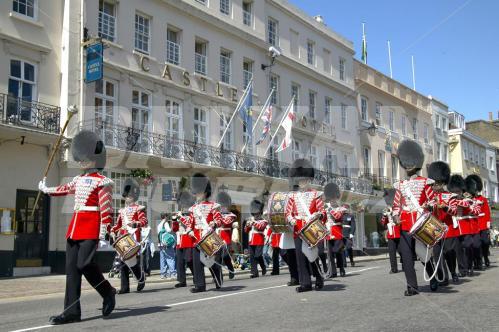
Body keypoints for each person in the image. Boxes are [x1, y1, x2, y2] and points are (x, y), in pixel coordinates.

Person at [38, 130, 116, 325]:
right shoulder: (78, 180)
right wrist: (46, 189)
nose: (82, 161)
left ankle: (107, 291)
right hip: (75, 227)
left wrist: (105, 230)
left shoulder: (103, 182)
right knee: (72, 269)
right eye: (81, 157)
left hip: (91, 226)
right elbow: (63, 190)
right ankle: (71, 312)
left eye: (86, 157)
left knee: (84, 264)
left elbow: (106, 208)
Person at [391, 139, 437, 296]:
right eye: (406, 162)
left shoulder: (425, 182)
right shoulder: (400, 185)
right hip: (405, 225)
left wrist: (429, 206)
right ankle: (412, 286)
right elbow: (396, 204)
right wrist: (396, 215)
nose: (409, 165)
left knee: (423, 254)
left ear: (417, 163)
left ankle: (432, 277)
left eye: (411, 162)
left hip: (421, 223)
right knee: (406, 255)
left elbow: (432, 200)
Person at [285, 158, 325, 292]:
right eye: (300, 180)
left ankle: (319, 278)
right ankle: (305, 283)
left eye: (305, 180)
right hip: (298, 229)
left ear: (309, 180)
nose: (303, 182)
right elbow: (288, 213)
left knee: (312, 255)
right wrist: (291, 220)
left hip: (312, 228)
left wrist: (317, 215)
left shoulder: (316, 195)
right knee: (300, 257)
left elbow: (322, 211)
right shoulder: (292, 196)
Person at [185, 173, 224, 293]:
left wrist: (214, 223)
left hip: (208, 238)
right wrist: (189, 230)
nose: (196, 194)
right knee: (197, 263)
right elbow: (190, 223)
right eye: (196, 192)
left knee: (210, 261)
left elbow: (220, 220)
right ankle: (200, 285)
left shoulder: (213, 206)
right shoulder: (193, 208)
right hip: (196, 239)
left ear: (205, 192)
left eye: (198, 192)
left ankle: (218, 279)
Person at [111, 178, 147, 294]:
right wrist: (112, 230)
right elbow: (118, 225)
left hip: (133, 236)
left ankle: (140, 278)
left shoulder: (139, 208)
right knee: (123, 262)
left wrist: (135, 223)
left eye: (130, 196)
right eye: (126, 196)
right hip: (123, 238)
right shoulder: (122, 211)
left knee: (131, 261)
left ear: (134, 196)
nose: (127, 198)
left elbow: (144, 221)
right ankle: (124, 287)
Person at [428, 161, 459, 285]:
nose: (436, 186)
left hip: (448, 228)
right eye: (434, 183)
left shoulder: (450, 196)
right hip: (434, 228)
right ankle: (443, 277)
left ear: (443, 183)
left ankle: (453, 272)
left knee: (449, 253)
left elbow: (455, 211)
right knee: (437, 254)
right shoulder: (429, 197)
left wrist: (445, 207)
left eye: (438, 183)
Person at [171, 191, 196, 288]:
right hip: (179, 240)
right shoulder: (181, 214)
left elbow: (189, 224)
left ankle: (196, 277)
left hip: (188, 240)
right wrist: (174, 220)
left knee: (189, 261)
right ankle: (182, 281)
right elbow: (175, 229)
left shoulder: (191, 213)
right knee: (180, 262)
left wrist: (180, 217)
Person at [466, 175, 491, 269]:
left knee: (485, 242)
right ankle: (477, 262)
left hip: (483, 223)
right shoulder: (469, 199)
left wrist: (488, 223)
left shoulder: (483, 199)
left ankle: (485, 256)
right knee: (476, 244)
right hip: (474, 224)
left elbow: (487, 212)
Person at [323, 182, 346, 278]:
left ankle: (341, 268)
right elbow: (323, 219)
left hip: (337, 231)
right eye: (331, 198)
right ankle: (333, 271)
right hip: (328, 232)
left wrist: (330, 210)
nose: (332, 200)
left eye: (334, 198)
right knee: (330, 254)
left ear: (336, 197)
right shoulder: (326, 207)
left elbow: (337, 217)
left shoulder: (341, 208)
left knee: (338, 251)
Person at [464, 175, 485, 272]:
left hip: (475, 227)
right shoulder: (463, 201)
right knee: (468, 246)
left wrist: (470, 205)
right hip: (466, 227)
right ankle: (469, 265)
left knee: (476, 245)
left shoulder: (476, 202)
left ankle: (479, 262)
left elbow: (477, 212)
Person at [216, 192, 238, 279]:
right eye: (221, 206)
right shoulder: (218, 215)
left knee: (225, 256)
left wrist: (218, 216)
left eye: (224, 206)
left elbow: (225, 222)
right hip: (217, 237)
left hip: (226, 237)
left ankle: (230, 268)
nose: (222, 208)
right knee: (217, 258)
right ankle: (218, 276)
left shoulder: (231, 215)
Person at [245, 199, 268, 278]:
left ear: (260, 213)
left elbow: (261, 228)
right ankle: (254, 272)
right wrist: (247, 225)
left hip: (259, 240)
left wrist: (253, 223)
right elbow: (246, 230)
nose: (256, 216)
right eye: (254, 214)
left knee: (258, 256)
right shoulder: (251, 220)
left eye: (257, 214)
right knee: (252, 257)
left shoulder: (264, 221)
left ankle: (263, 267)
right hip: (251, 240)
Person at [380, 188, 401, 274]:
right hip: (391, 233)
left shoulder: (398, 207)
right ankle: (393, 268)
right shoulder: (386, 209)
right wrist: (385, 216)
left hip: (399, 232)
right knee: (392, 252)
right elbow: (382, 223)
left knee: (402, 251)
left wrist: (392, 213)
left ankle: (405, 264)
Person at [158, 212, 177, 279]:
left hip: (160, 244)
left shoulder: (159, 224)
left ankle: (163, 274)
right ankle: (173, 273)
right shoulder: (165, 223)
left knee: (162, 259)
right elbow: (169, 231)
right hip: (166, 244)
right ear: (165, 217)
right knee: (170, 258)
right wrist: (172, 225)